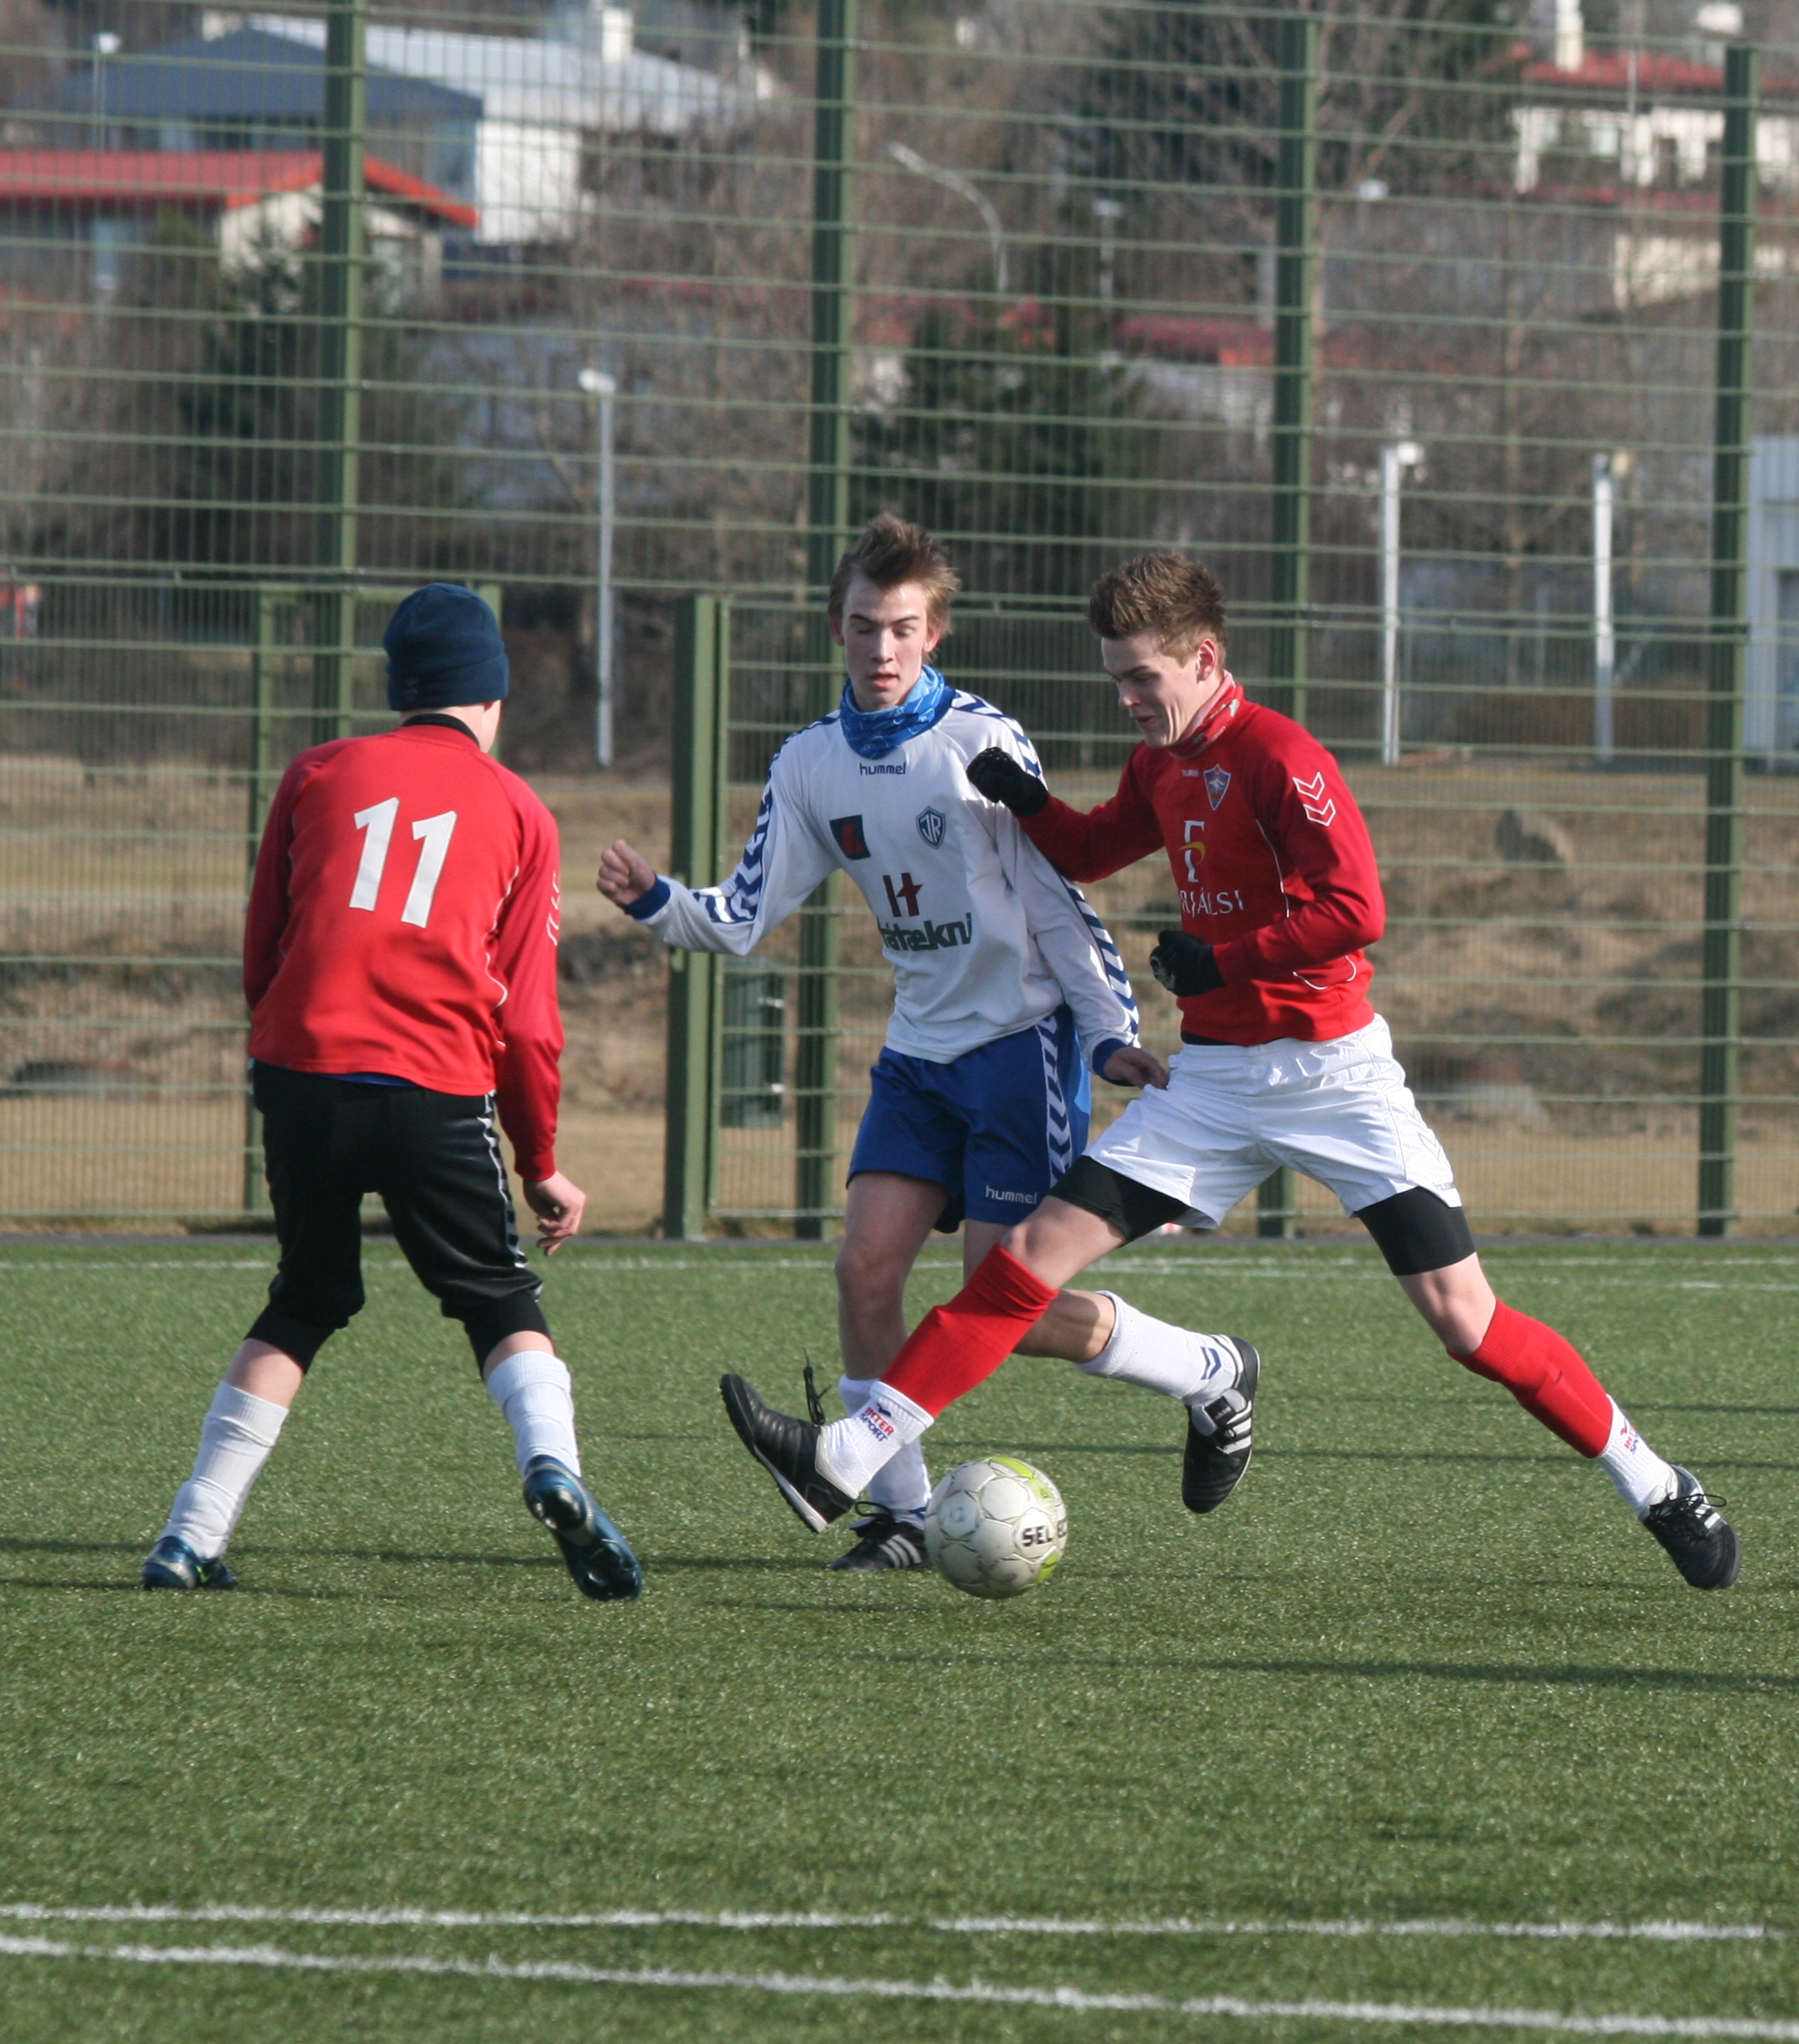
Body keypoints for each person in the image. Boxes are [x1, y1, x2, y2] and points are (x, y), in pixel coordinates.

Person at [715, 550, 1741, 1589]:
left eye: (1141, 678)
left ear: (1204, 660)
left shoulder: (1280, 756)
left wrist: (1228, 959)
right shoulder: (1159, 762)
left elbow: (1357, 910)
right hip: (1211, 1085)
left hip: (1333, 1079)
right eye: (1115, 678)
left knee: (1465, 1322)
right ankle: (850, 1455)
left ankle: (1657, 1483)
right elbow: (1093, 849)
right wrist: (1028, 802)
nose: (1127, 699)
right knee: (1019, 1263)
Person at [598, 516, 1256, 1570]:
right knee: (865, 1268)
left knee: (1007, 1302)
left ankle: (1209, 1371)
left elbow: (1059, 900)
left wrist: (1106, 1035)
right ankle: (900, 1515)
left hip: (1020, 1048)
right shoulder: (810, 763)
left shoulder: (981, 744)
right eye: (866, 626)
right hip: (918, 1055)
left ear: (935, 633)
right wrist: (656, 902)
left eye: (904, 628)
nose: (883, 648)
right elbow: (745, 914)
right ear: (837, 629)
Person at [144, 586, 638, 1600]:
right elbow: (528, 1025)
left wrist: (287, 1057)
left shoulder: (317, 771)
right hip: (433, 1089)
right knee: (498, 1299)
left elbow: (263, 951)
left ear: (398, 687)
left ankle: (189, 1535)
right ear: (493, 697)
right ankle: (553, 1469)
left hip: (302, 1079)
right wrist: (541, 1163)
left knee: (306, 1297)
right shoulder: (521, 812)